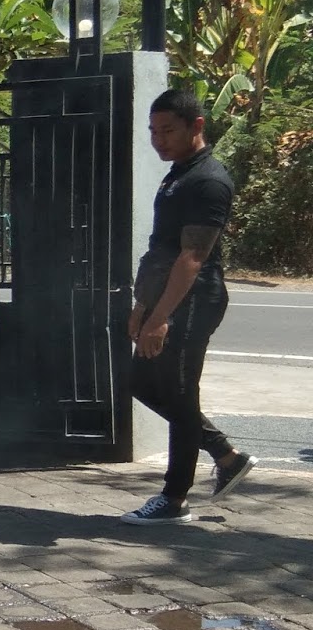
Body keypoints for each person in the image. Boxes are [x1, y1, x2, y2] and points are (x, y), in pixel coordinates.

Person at [122, 89, 256, 525]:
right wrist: (142, 306)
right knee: (140, 381)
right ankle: (226, 455)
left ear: (196, 126)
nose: (158, 140)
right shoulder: (178, 174)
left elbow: (192, 257)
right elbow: (159, 249)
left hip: (193, 298)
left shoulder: (209, 181)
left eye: (168, 131)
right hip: (165, 297)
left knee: (181, 395)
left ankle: (174, 498)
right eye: (153, 131)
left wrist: (161, 318)